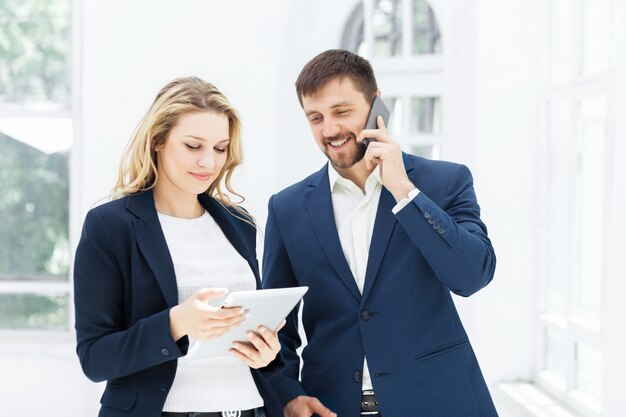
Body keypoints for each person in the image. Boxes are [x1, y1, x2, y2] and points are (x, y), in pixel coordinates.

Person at [262, 49, 498, 417]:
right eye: (315, 117)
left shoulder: (444, 182)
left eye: (342, 112)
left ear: (377, 108)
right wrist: (288, 394)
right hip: (332, 406)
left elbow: (472, 276)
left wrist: (405, 192)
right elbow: (276, 323)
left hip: (440, 402)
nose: (329, 130)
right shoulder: (287, 208)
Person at [74, 77, 283, 417]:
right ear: (158, 140)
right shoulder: (111, 226)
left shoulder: (239, 223)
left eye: (220, 148)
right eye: (193, 146)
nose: (208, 163)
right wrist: (176, 323)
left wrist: (268, 353)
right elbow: (95, 358)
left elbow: (253, 346)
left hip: (249, 409)